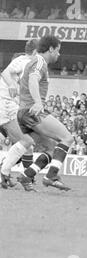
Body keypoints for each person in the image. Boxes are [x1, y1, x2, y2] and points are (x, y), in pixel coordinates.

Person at [16, 35, 73, 191]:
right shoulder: (40, 61)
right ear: (51, 49)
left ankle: (27, 176)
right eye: (58, 51)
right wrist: (38, 102)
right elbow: (33, 79)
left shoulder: (33, 62)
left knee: (51, 148)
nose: (59, 54)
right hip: (32, 111)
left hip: (23, 112)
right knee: (67, 138)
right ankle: (51, 176)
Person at [0, 39, 39, 188]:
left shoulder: (24, 61)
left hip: (11, 106)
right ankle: (4, 172)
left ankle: (27, 179)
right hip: (6, 106)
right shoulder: (25, 61)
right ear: (35, 52)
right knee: (27, 141)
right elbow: (5, 73)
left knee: (28, 145)